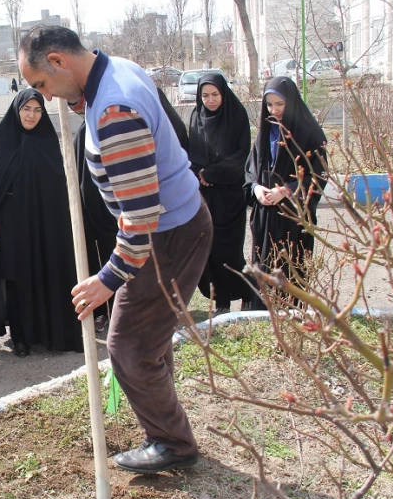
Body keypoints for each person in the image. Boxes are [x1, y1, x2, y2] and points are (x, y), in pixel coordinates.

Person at [18, 25, 213, 474]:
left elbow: (142, 218)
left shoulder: (113, 112)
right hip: (174, 224)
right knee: (147, 340)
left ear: (59, 61)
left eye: (42, 84)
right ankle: (169, 427)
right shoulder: (116, 71)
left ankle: (172, 443)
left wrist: (108, 280)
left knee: (128, 345)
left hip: (168, 235)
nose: (45, 98)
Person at [71, 87, 189, 333]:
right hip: (107, 219)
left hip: (148, 221)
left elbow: (144, 194)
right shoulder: (88, 130)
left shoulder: (121, 116)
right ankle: (110, 313)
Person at [0, 89, 82, 357]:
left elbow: (59, 186)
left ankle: (46, 333)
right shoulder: (1, 140)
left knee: (46, 273)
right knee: (17, 279)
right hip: (12, 224)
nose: (32, 115)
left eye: (37, 110)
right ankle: (21, 337)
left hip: (44, 222)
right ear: (17, 109)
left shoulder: (46, 139)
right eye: (27, 109)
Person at [245, 76, 327, 310]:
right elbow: (251, 170)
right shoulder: (266, 132)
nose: (274, 110)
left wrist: (286, 191)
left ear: (291, 102)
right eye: (269, 105)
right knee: (264, 271)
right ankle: (264, 322)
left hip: (294, 218)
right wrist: (256, 188)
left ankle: (292, 328)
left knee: (292, 271)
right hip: (265, 218)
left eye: (280, 104)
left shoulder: (310, 133)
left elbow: (318, 176)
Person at [186, 72, 251, 314]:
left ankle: (247, 293)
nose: (210, 100)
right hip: (206, 196)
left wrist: (214, 173)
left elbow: (241, 155)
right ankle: (221, 301)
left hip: (230, 195)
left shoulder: (236, 115)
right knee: (210, 251)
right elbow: (191, 150)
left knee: (230, 251)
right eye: (205, 95)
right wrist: (200, 173)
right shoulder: (196, 116)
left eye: (215, 94)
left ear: (223, 93)